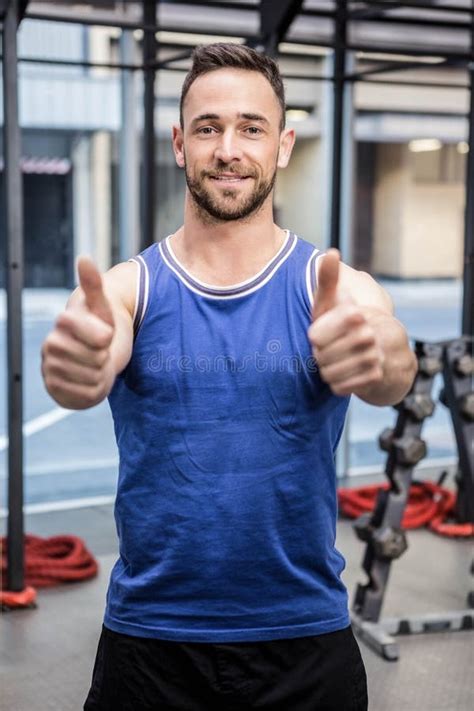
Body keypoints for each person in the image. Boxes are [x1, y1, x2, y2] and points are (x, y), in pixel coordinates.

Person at [41, 43, 417, 711]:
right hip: (149, 644)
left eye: (252, 127)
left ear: (284, 146)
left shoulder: (332, 287)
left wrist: (380, 357)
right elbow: (86, 361)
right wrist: (80, 366)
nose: (228, 148)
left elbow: (392, 367)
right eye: (209, 127)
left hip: (305, 640)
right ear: (180, 144)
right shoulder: (129, 288)